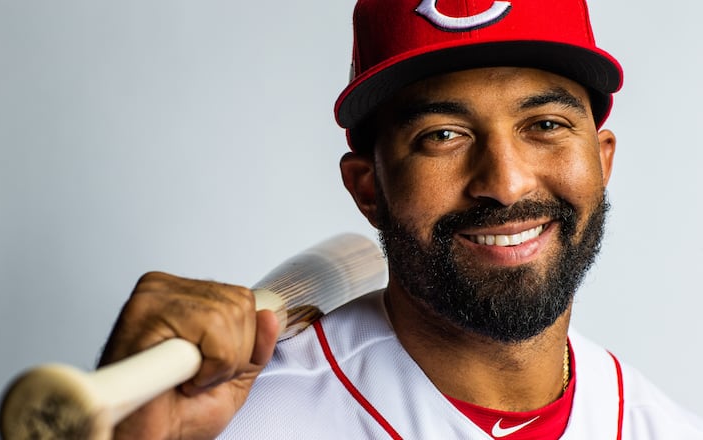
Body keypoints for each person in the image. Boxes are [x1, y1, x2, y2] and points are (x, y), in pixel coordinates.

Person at [99, 0, 703, 438]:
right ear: (369, 188)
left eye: (545, 125)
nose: (505, 182)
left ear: (601, 162)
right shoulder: (238, 422)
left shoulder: (665, 427)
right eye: (443, 135)